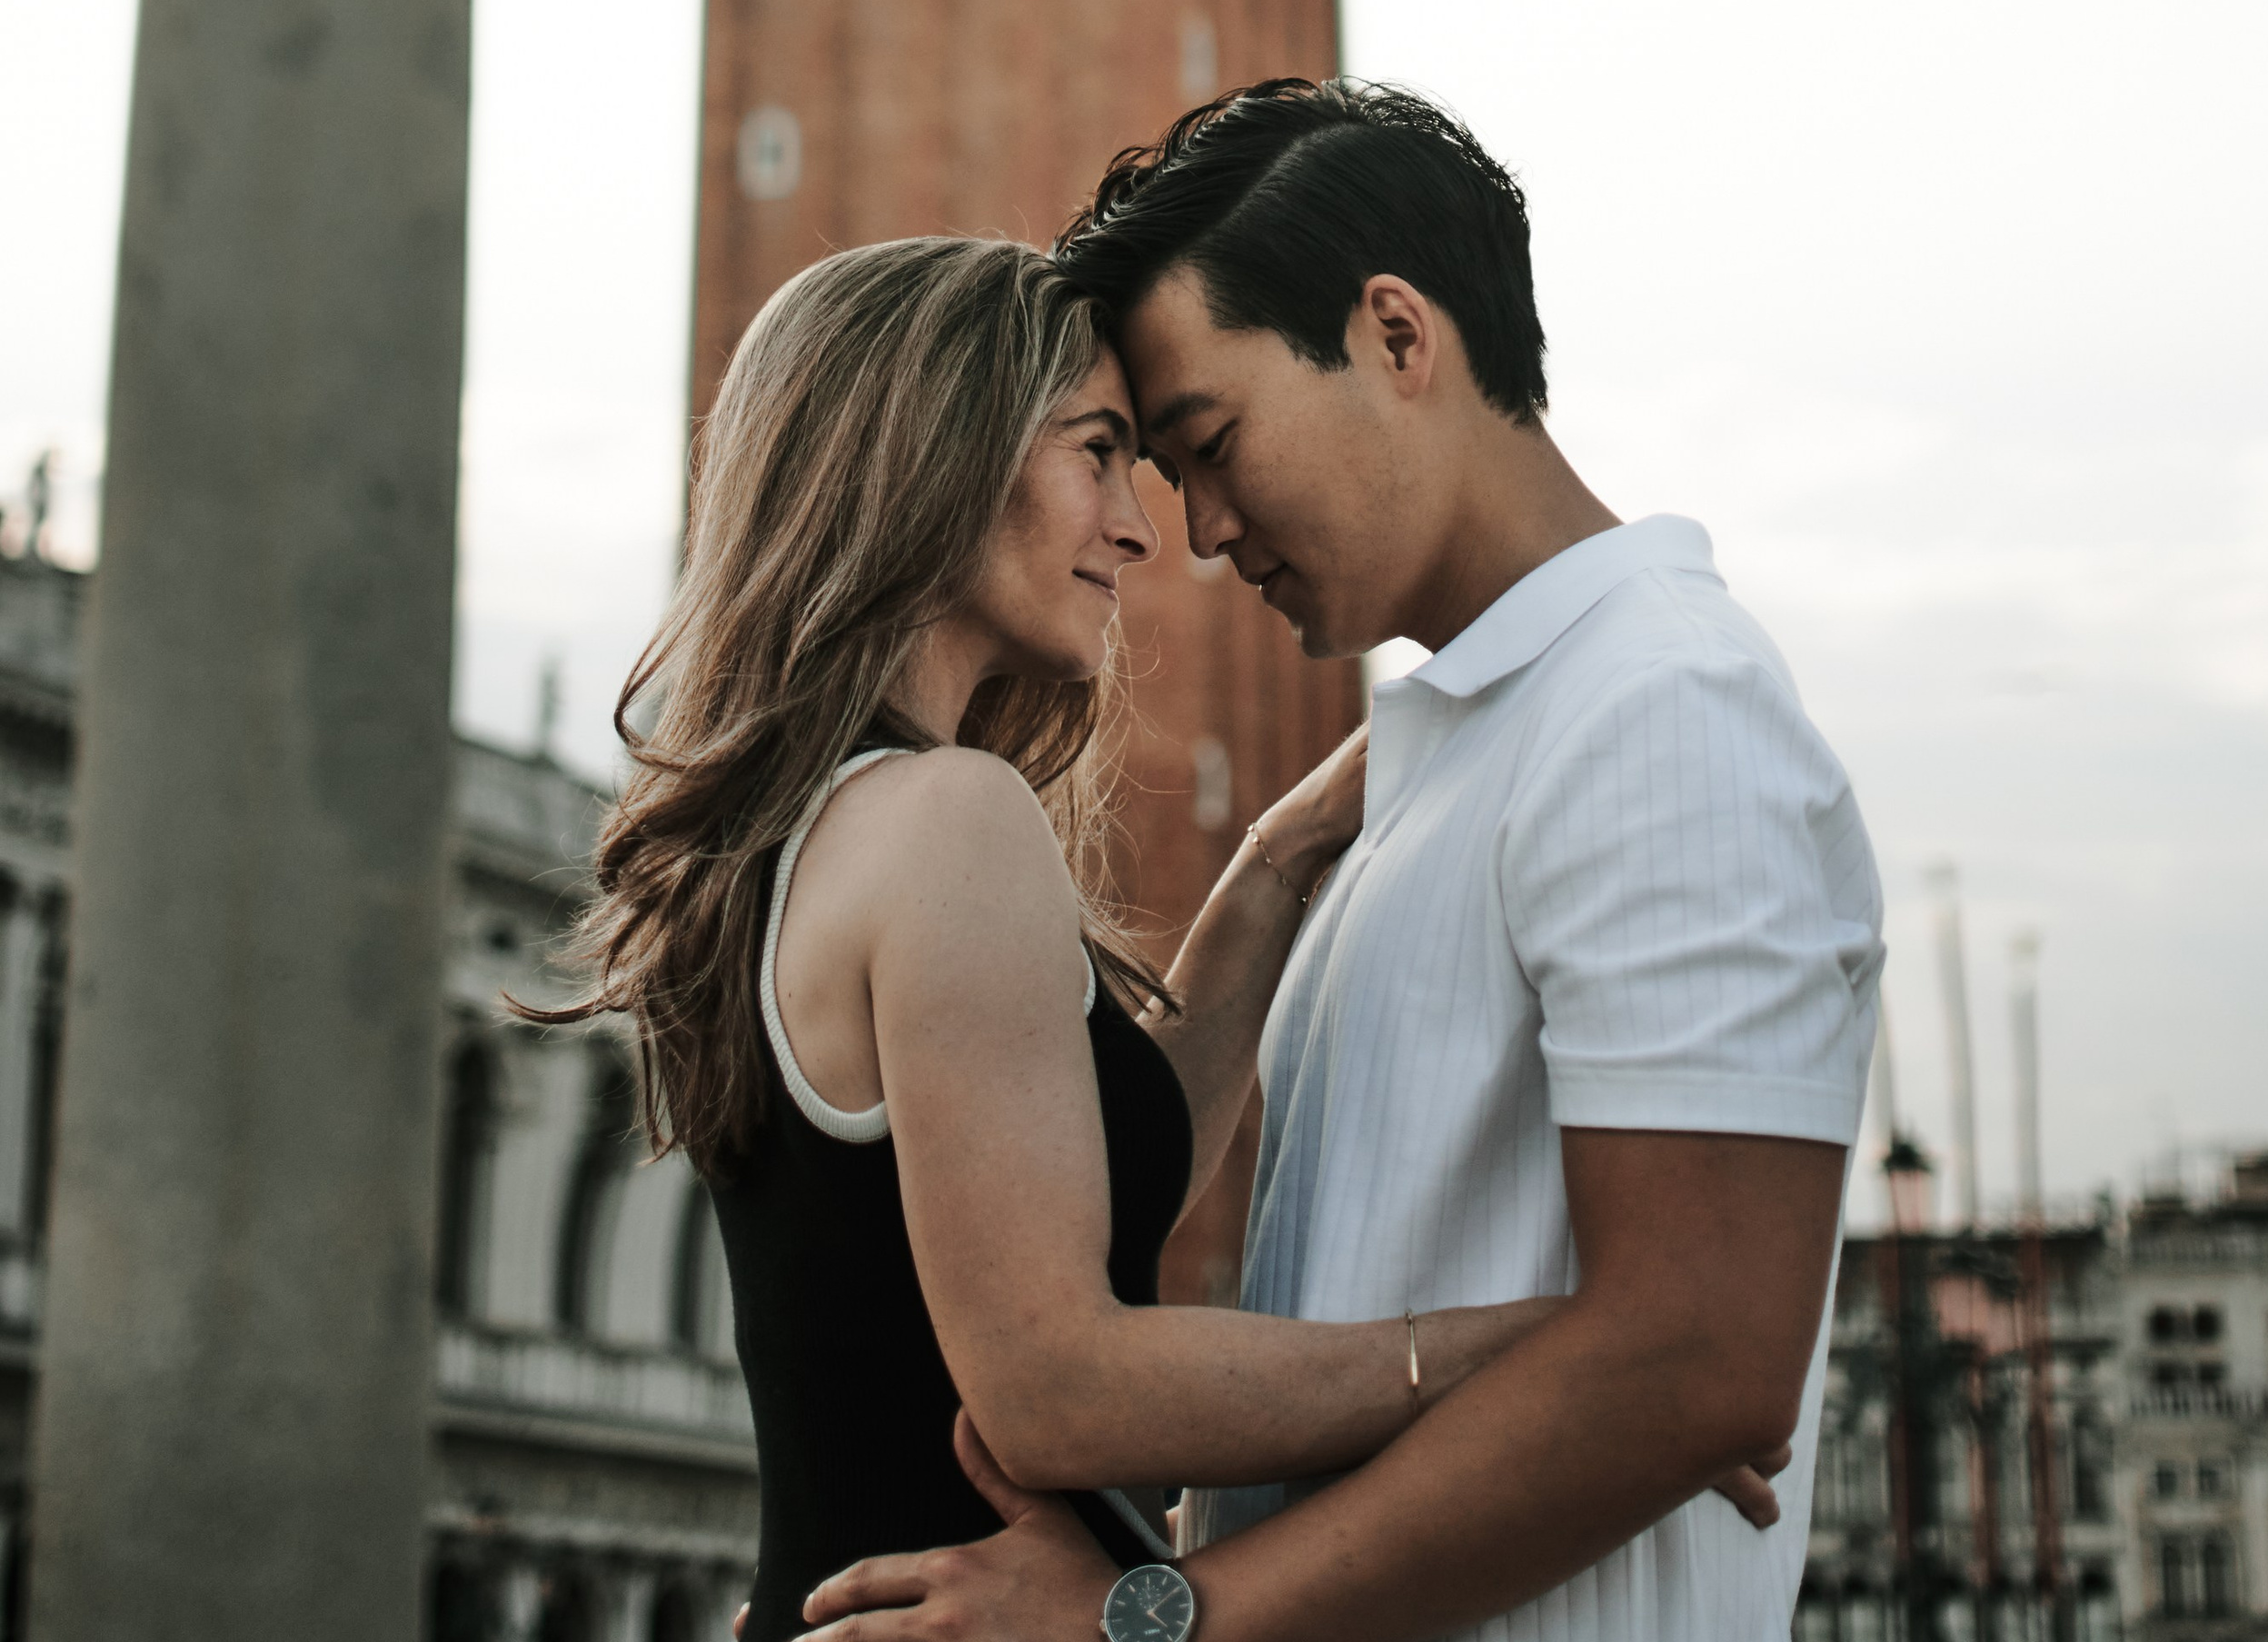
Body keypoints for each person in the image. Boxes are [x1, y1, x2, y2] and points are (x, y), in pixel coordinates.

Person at [795, 79, 1885, 1642]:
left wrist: (1154, 1621)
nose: (1202, 529)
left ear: (1393, 336)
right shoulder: (1451, 761)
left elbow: (1699, 1359)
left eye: (1209, 444)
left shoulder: (1661, 709)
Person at [546, 232, 1586, 1639]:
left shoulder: (803, 835)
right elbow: (1056, 1391)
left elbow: (1084, 1189)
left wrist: (1282, 855)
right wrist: (1565, 1349)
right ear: (938, 453)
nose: (1142, 526)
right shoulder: (947, 819)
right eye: (1097, 452)